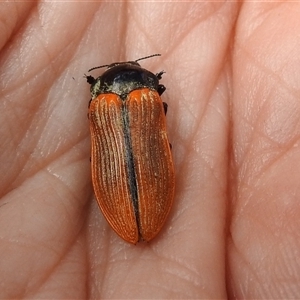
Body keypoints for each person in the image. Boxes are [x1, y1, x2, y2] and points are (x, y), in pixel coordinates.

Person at [0, 1, 299, 298]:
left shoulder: (99, 103)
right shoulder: (149, 99)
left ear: (98, 87)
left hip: (115, 184)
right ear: (149, 82)